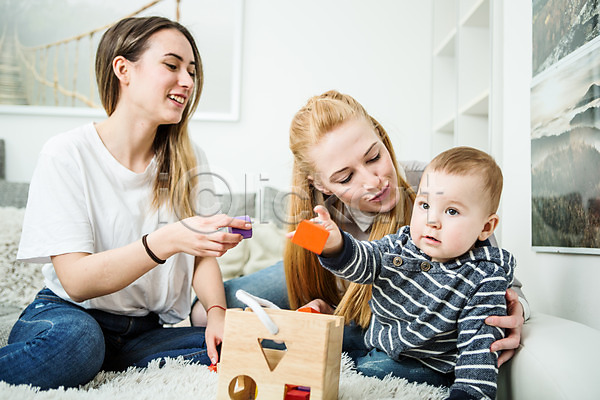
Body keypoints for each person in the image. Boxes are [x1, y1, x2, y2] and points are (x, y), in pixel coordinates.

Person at [0, 16, 250, 390]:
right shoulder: (66, 154)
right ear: (123, 70)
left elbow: (201, 257)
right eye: (172, 65)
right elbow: (76, 281)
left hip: (144, 331)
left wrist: (217, 313)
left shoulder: (188, 157)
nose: (187, 81)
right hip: (70, 317)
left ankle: (106, 360)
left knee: (243, 344)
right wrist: (167, 240)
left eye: (191, 71)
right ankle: (89, 356)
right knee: (79, 344)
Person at [208, 90, 527, 377]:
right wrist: (324, 308)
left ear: (381, 136)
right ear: (321, 185)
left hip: (388, 323)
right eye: (345, 178)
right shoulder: (315, 221)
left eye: (374, 157)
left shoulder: (432, 186)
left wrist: (517, 310)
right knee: (218, 308)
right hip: (352, 310)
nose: (374, 182)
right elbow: (328, 290)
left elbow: (496, 274)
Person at [302, 146, 514, 399]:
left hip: (424, 362)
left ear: (486, 227)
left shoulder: (483, 278)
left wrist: (468, 393)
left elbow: (478, 349)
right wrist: (333, 245)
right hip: (378, 336)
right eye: (425, 205)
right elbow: (365, 261)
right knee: (332, 337)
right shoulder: (402, 244)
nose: (432, 221)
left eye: (452, 211)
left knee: (374, 369)